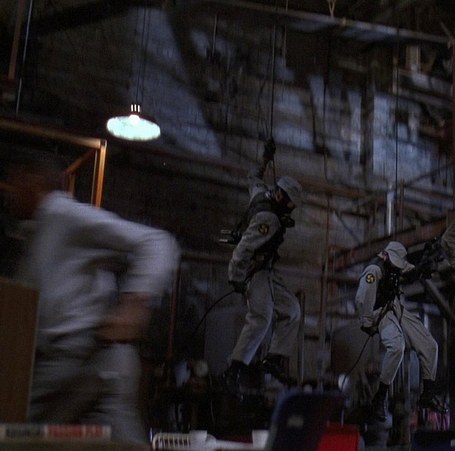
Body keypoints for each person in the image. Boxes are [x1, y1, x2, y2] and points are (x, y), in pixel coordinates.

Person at [3, 151, 180, 444]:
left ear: (33, 182)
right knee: (118, 442)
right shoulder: (37, 232)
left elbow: (156, 242)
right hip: (90, 364)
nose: (9, 193)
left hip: (79, 357)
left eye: (14, 184)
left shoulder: (63, 214)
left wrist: (134, 304)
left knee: (14, 433)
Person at [222, 144, 303, 389]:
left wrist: (265, 160)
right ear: (280, 197)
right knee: (261, 317)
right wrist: (236, 276)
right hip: (254, 272)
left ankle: (273, 359)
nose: (290, 210)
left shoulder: (260, 192)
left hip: (266, 271)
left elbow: (253, 177)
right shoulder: (268, 219)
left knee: (292, 310)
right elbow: (245, 247)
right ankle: (234, 370)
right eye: (289, 204)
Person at [355, 241, 447, 423]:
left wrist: (426, 264)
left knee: (430, 345)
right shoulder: (374, 270)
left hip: (395, 306)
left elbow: (411, 272)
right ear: (386, 256)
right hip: (379, 311)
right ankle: (380, 397)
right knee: (397, 346)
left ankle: (427, 394)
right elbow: (362, 297)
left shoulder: (395, 264)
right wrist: (367, 322)